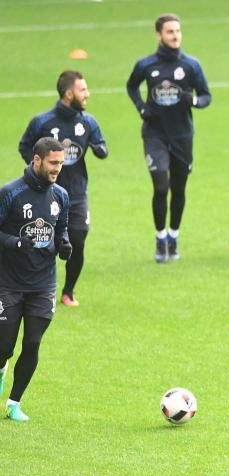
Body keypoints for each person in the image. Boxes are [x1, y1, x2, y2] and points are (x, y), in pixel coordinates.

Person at [126, 13, 211, 263]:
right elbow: (131, 86)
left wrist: (193, 101)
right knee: (161, 185)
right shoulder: (146, 65)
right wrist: (142, 107)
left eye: (178, 31)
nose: (175, 36)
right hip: (154, 135)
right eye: (170, 32)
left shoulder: (191, 66)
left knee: (179, 188)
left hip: (182, 136)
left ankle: (173, 235)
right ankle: (160, 236)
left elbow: (206, 96)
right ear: (159, 35)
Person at [18, 70, 107, 307]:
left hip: (76, 194)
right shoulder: (42, 122)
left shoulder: (88, 122)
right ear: (69, 94)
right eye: (83, 89)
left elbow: (102, 146)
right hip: (44, 193)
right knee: (39, 241)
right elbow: (25, 146)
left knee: (77, 241)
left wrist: (100, 149)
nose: (87, 94)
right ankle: (35, 289)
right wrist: (37, 171)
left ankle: (68, 291)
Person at [0, 138, 72, 422]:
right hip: (8, 283)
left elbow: (61, 228)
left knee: (32, 343)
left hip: (43, 285)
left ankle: (14, 403)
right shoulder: (10, 193)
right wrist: (17, 243)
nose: (57, 169)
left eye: (61, 164)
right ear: (37, 159)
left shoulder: (61, 196)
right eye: (53, 163)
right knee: (4, 346)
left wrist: (64, 245)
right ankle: (2, 365)